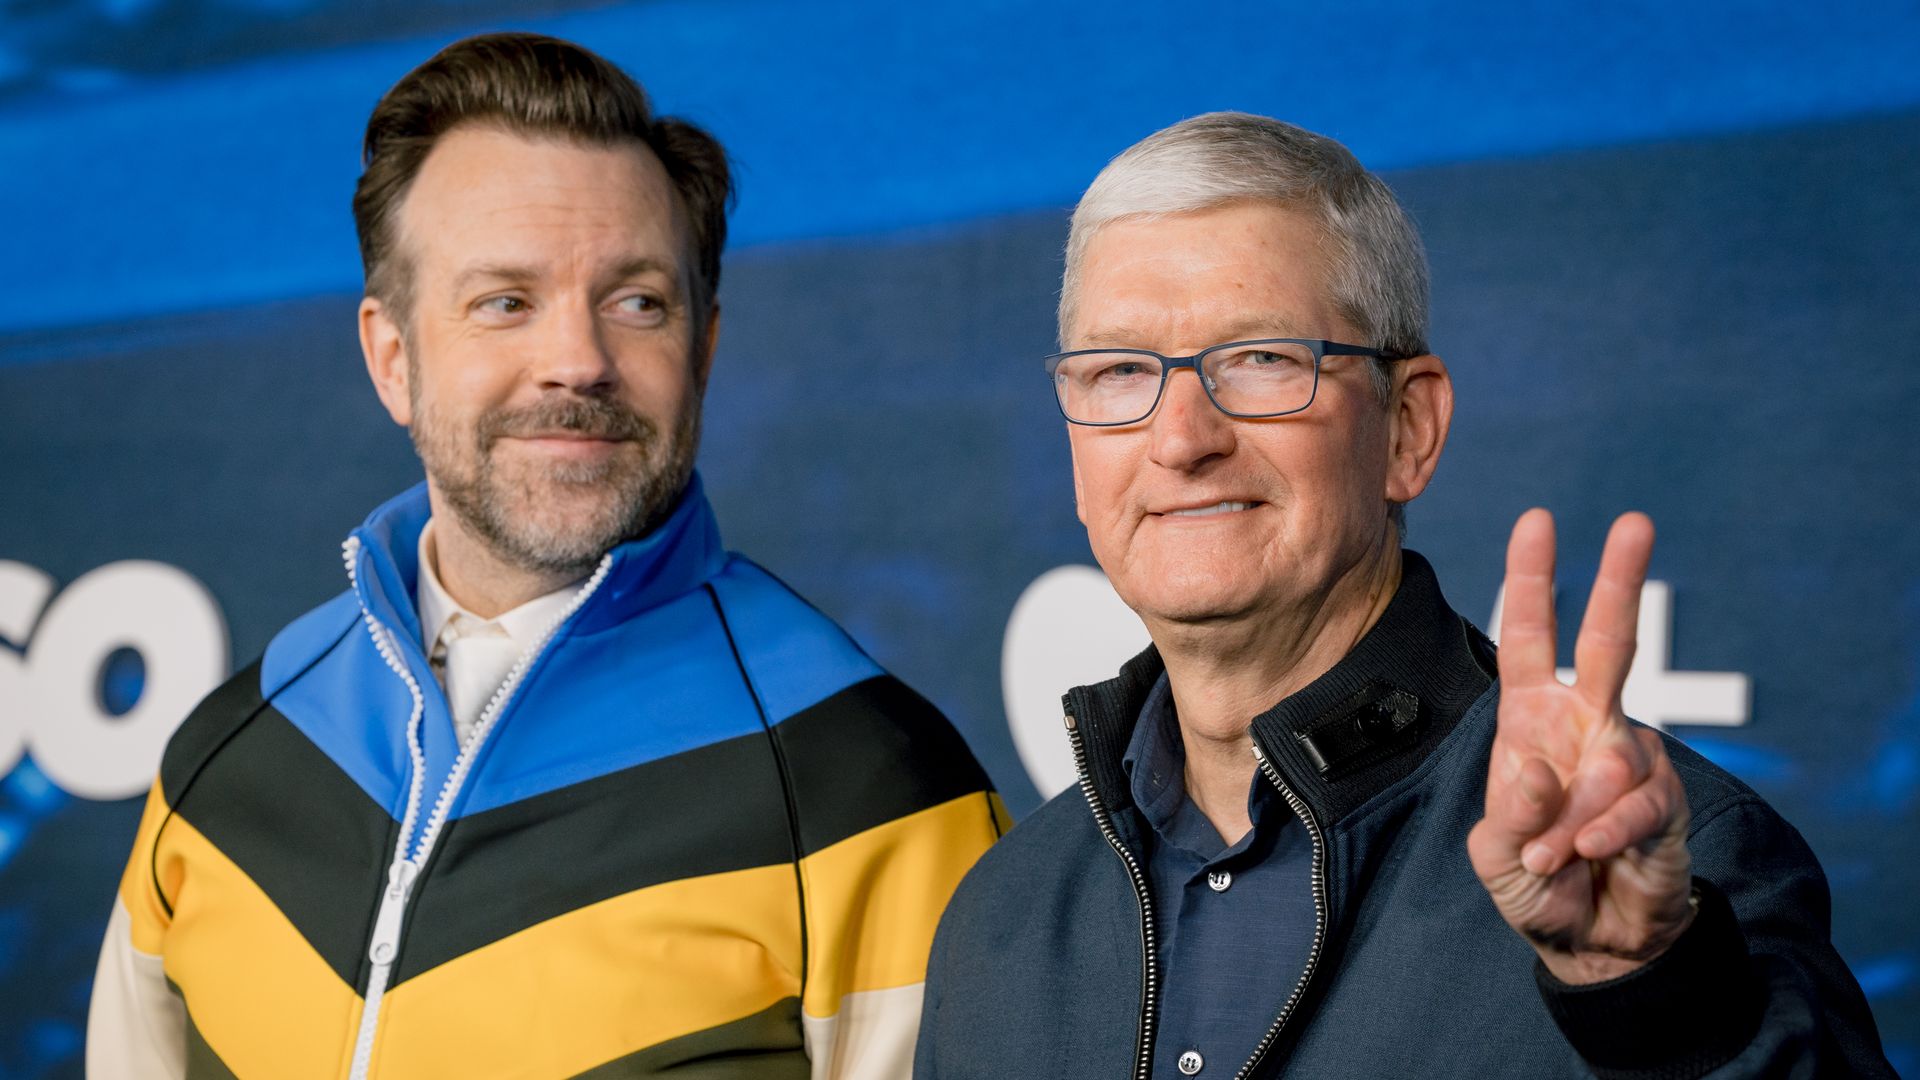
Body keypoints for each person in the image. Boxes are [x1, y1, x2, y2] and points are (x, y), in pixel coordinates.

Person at [88, 33, 1004, 1080]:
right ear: (393, 359)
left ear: (702, 352)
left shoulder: (870, 788)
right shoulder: (234, 749)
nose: (577, 361)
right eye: (504, 302)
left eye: (637, 302)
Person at [915, 113, 1893, 1078]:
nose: (1180, 440)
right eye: (1122, 370)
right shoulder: (997, 922)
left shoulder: (1665, 879)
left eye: (1261, 361)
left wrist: (1647, 998)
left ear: (1408, 429)